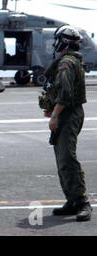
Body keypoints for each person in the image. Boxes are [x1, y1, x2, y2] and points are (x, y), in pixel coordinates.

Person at [40, 24, 92, 221]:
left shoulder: (66, 63)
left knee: (67, 158)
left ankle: (82, 202)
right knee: (62, 160)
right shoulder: (68, 62)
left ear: (62, 42)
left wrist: (55, 115)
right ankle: (72, 201)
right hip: (65, 113)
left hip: (68, 114)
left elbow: (65, 93)